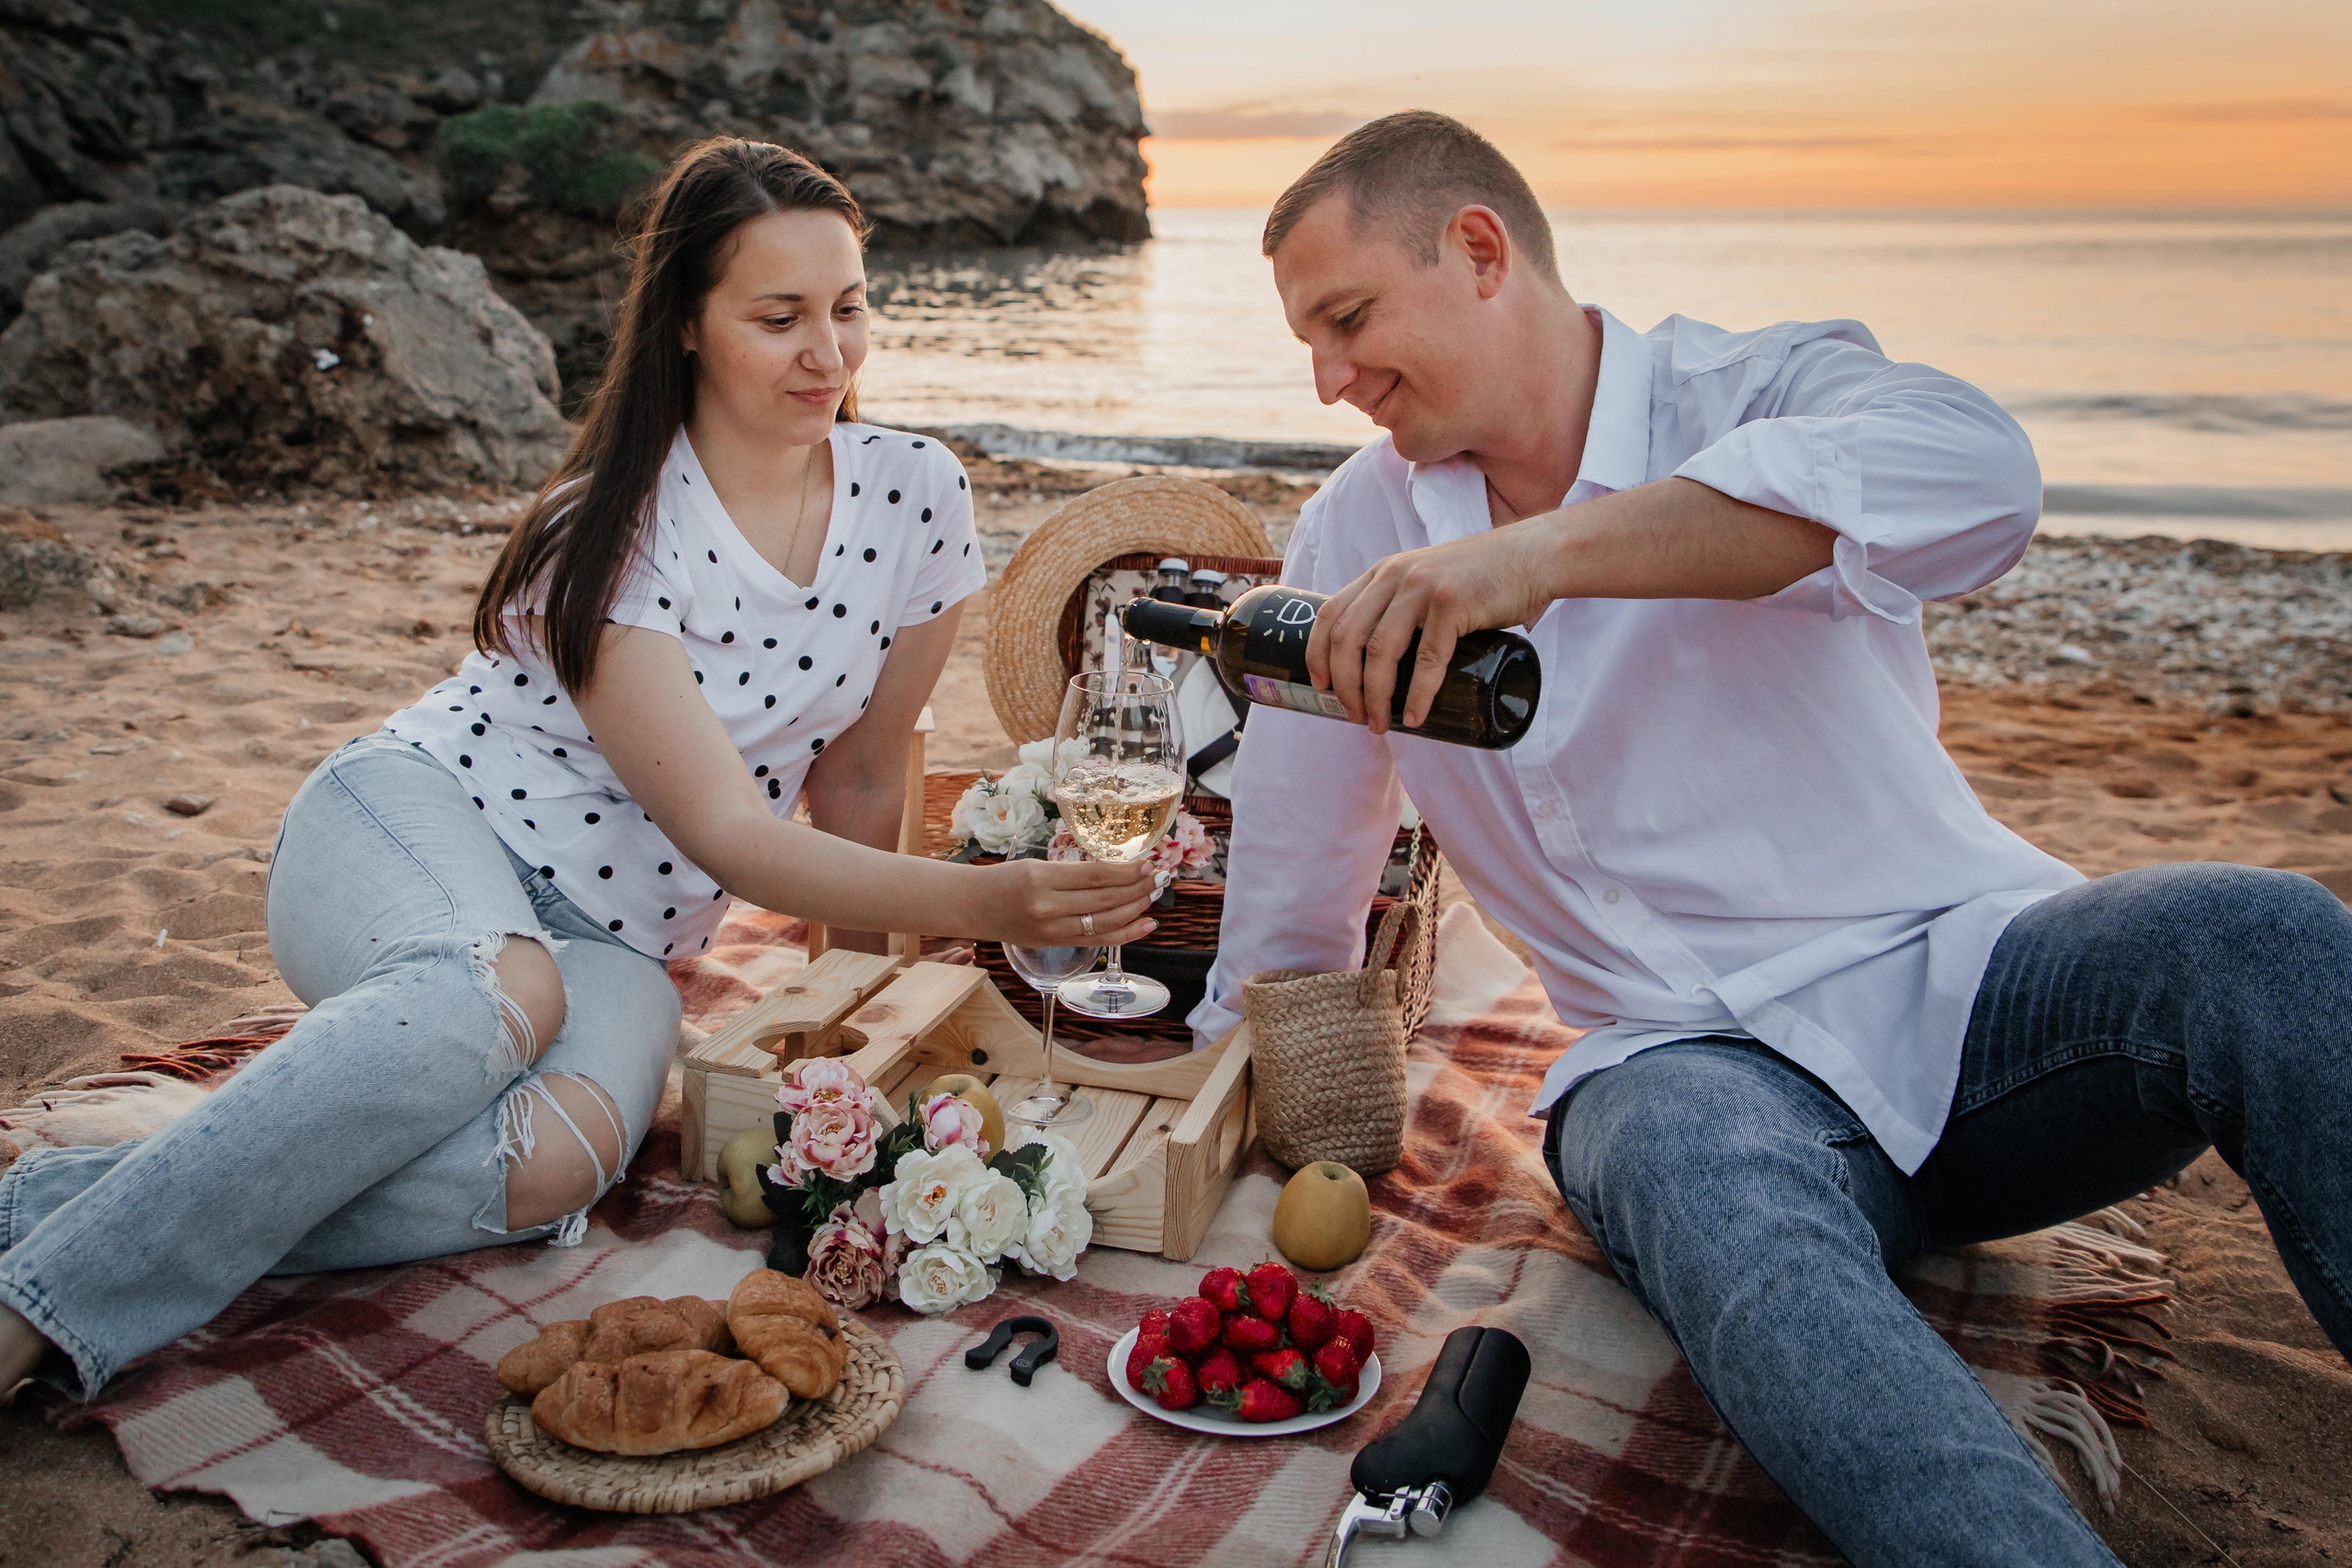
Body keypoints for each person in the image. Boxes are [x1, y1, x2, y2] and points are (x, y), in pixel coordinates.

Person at [1194, 110, 2351, 1565]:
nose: (1328, 379)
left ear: (1479, 250)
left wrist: (1537, 558)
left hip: (1976, 1007)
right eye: (1309, 340)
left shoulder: (1758, 390)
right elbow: (1300, 881)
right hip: (1676, 1068)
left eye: (1349, 319)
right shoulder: (1350, 539)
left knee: (2269, 933)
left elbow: (1986, 477)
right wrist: (1235, 1109)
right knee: (1689, 1160)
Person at [0, 138, 1158, 1403]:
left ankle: (77, 1197)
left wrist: (849, 1037)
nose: (829, 354)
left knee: (560, 1167)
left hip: (617, 936)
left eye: (848, 308)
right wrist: (988, 903)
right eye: (780, 318)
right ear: (688, 326)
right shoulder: (608, 531)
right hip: (415, 825)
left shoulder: (917, 495)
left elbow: (867, 777)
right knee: (487, 1002)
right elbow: (726, 828)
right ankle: (36, 1311)